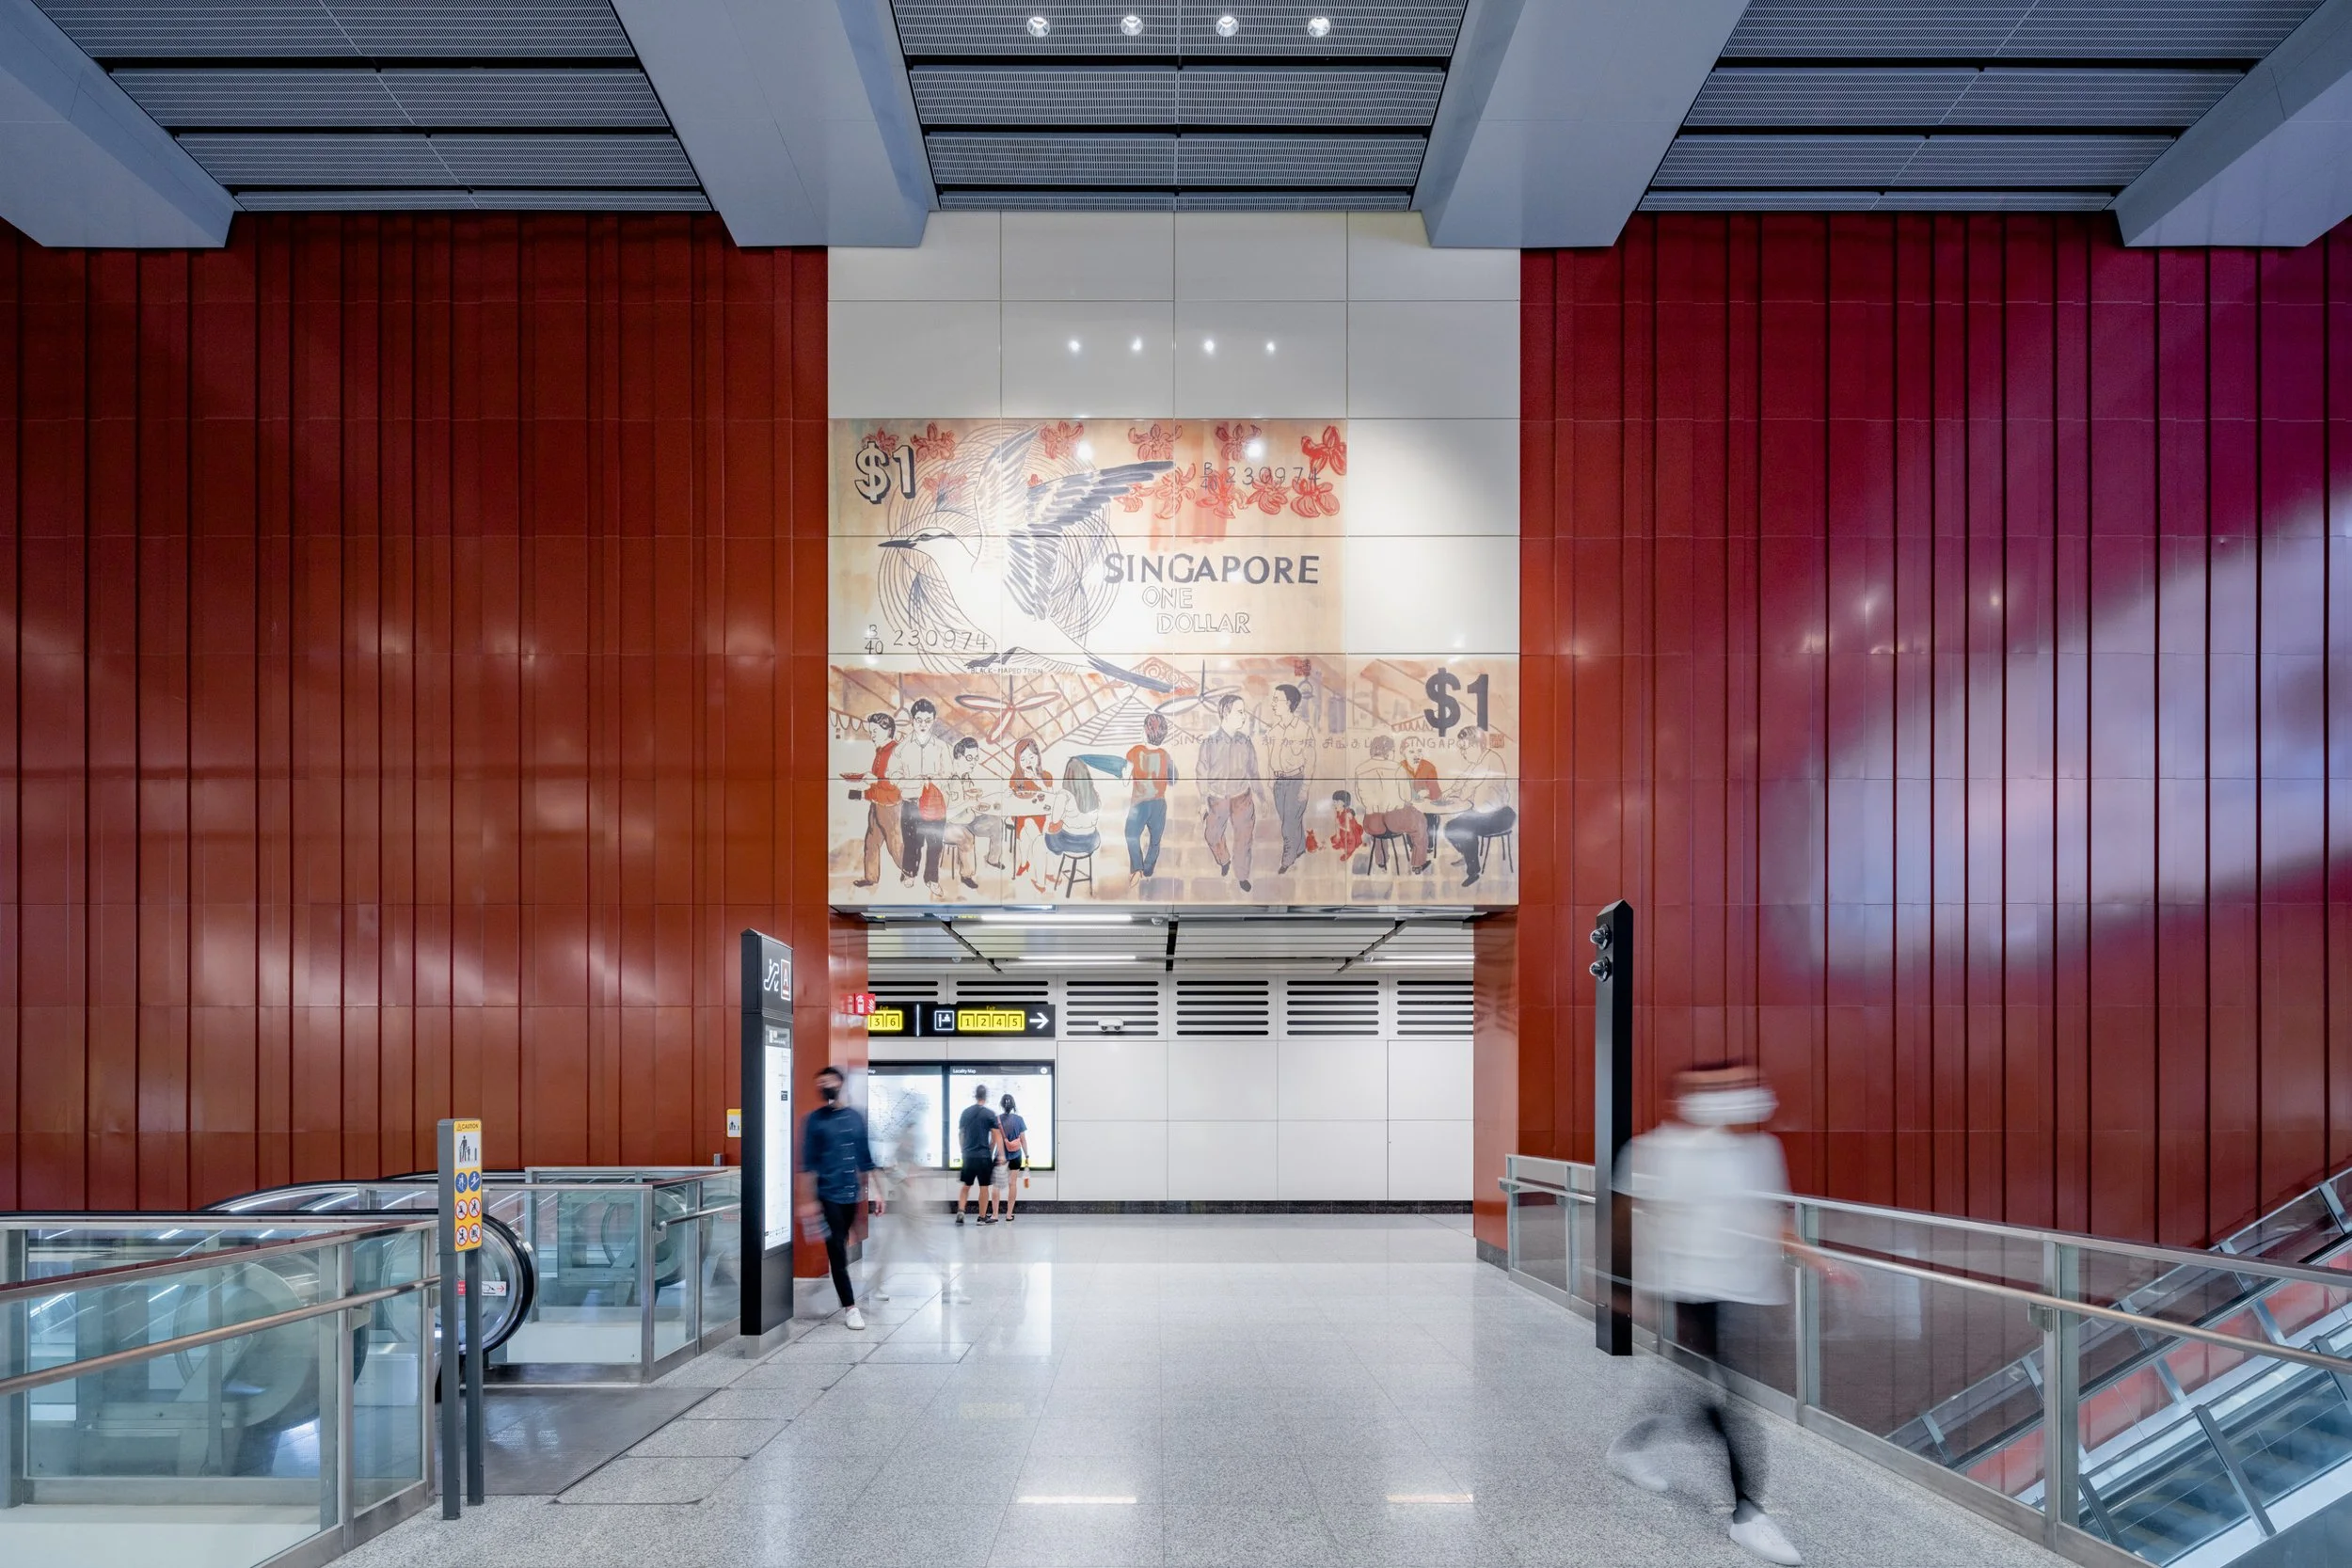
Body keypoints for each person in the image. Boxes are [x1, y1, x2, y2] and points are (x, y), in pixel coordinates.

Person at [1609, 1063, 1844, 1565]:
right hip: (1689, 1291)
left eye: (1738, 1086)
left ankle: (1630, 1447)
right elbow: (1624, 1219)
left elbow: (1770, 1218)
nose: (1732, 1097)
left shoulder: (1760, 1152)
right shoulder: (1654, 1150)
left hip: (1744, 1291)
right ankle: (1747, 1512)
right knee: (1725, 1399)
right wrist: (1624, 1287)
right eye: (1715, 1088)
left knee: (1690, 1388)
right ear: (1682, 1099)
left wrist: (1818, 1261)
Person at [794, 1064, 878, 1331]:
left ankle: (829, 1292)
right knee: (837, 1251)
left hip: (851, 1195)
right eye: (820, 1083)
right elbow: (807, 1165)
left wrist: (876, 1193)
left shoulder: (855, 1117)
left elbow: (865, 1159)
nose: (824, 1086)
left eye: (828, 1081)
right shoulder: (814, 1121)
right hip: (827, 1195)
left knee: (843, 1245)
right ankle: (851, 1308)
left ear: (840, 1083)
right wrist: (807, 1201)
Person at [1197, 694, 1263, 893]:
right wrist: (1203, 801)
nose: (1244, 716)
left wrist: (1261, 796)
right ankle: (1223, 859)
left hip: (1242, 798)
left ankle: (1242, 876)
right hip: (1217, 798)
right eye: (1240, 712)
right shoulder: (1210, 743)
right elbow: (1202, 772)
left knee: (1244, 839)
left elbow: (1253, 771)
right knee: (1212, 835)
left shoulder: (1246, 742)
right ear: (1226, 713)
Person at [895, 698, 955, 896]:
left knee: (935, 844)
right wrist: (914, 782)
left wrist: (932, 779)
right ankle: (909, 874)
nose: (923, 724)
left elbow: (948, 774)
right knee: (911, 842)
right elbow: (893, 775)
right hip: (911, 803)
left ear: (934, 720)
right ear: (912, 720)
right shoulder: (902, 747)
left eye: (928, 720)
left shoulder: (942, 747)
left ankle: (932, 879)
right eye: (919, 720)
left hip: (935, 803)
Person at [1440, 727, 1516, 888]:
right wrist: (1447, 794)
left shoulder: (1489, 759)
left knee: (1465, 828)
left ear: (1476, 745)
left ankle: (1473, 872)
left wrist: (1455, 798)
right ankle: (1467, 854)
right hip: (1484, 814)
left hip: (1499, 815)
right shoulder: (1480, 760)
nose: (1462, 753)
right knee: (1450, 827)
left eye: (1464, 748)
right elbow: (1462, 780)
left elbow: (1469, 785)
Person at [846, 712, 906, 889]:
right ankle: (870, 878)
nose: (872, 735)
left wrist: (872, 782)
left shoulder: (895, 752)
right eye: (871, 731)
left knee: (895, 846)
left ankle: (909, 871)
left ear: (888, 730)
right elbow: (878, 781)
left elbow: (895, 784)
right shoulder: (880, 751)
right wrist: (863, 792)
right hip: (877, 804)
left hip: (890, 807)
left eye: (875, 731)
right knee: (871, 843)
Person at [1355, 734, 1430, 873]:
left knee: (1379, 827)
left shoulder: (1359, 769)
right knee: (1421, 822)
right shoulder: (1397, 768)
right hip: (1395, 821)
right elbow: (1407, 797)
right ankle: (1418, 864)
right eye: (1393, 751)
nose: (1393, 754)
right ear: (1388, 751)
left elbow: (1360, 797)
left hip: (1371, 823)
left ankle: (1381, 861)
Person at [1265, 680, 1314, 875]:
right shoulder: (1274, 731)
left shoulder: (1303, 729)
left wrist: (1305, 788)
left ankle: (1287, 859)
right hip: (1279, 784)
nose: (1273, 704)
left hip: (1296, 781)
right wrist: (1271, 780)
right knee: (1289, 819)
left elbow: (1310, 761)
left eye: (1276, 700)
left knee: (1289, 825)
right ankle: (1300, 848)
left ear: (1288, 703)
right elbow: (1270, 758)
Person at [1123, 713, 1178, 880]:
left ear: (1146, 731)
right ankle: (1148, 869)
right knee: (1155, 840)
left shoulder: (1135, 751)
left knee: (1131, 834)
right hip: (1159, 804)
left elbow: (1125, 779)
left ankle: (1137, 867)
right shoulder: (1165, 755)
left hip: (1139, 804)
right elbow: (1174, 780)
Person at [940, 736, 985, 892]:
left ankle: (990, 860)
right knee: (967, 838)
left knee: (993, 823)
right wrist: (968, 804)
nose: (973, 762)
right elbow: (944, 815)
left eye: (976, 758)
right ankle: (967, 875)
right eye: (969, 758)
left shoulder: (966, 778)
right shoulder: (947, 780)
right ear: (958, 757)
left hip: (966, 820)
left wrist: (975, 805)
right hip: (945, 825)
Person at [955, 1082, 1002, 1224]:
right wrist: (991, 1149)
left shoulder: (966, 1112)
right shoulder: (989, 1114)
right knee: (984, 1187)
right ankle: (982, 1217)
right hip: (983, 1156)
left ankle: (961, 1210)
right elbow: (995, 1136)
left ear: (975, 1096)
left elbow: (961, 1134)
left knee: (966, 1185)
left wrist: (963, 1149)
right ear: (985, 1097)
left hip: (968, 1155)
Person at [996, 1093, 1029, 1221]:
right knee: (1013, 1184)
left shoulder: (997, 1119)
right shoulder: (1019, 1119)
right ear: (1013, 1105)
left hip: (1001, 1156)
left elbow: (995, 1139)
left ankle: (995, 1214)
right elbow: (1023, 1140)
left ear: (1001, 1105)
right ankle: (1009, 1215)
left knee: (997, 1185)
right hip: (1016, 1155)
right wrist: (1027, 1155)